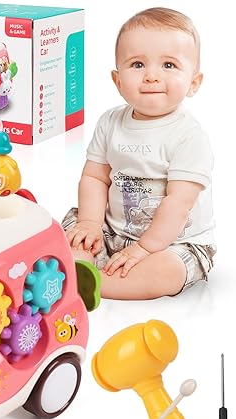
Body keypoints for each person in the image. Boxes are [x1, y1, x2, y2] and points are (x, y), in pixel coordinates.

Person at [62, 7, 216, 300]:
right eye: (137, 64)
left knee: (167, 271)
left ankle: (97, 285)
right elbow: (95, 177)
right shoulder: (110, 122)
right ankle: (79, 264)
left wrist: (145, 248)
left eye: (169, 65)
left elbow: (178, 203)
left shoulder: (189, 136)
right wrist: (90, 224)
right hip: (111, 229)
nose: (151, 76)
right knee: (73, 232)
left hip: (172, 242)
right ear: (118, 80)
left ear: (193, 82)